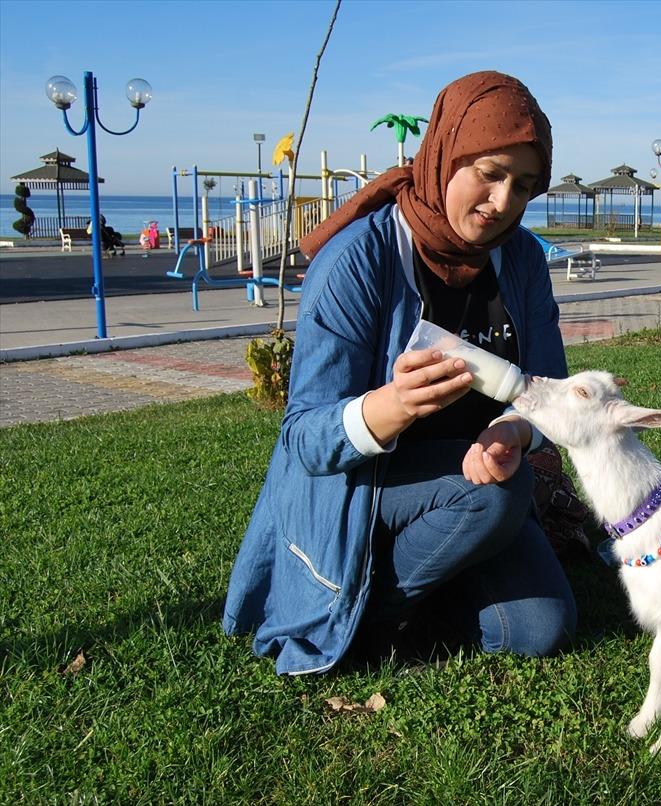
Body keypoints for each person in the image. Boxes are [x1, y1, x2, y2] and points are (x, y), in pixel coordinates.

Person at [223, 71, 576, 675]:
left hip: (467, 479)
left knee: (539, 627)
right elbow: (303, 439)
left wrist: (513, 432)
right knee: (496, 498)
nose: (502, 204)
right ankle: (367, 612)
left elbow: (552, 394)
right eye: (489, 174)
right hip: (361, 486)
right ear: (446, 153)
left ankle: (427, 583)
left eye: (523, 187)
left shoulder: (520, 258)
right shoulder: (358, 259)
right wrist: (390, 406)